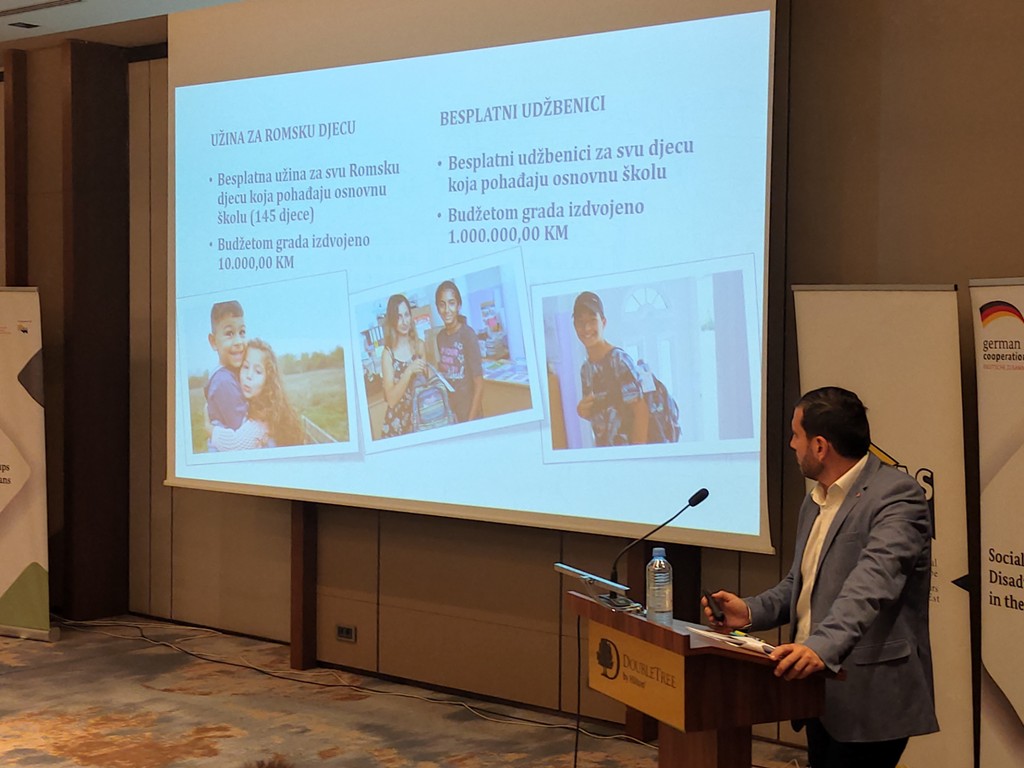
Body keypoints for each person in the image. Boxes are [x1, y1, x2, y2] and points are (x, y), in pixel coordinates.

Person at [703, 387, 937, 768]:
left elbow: (872, 584)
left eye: (796, 435)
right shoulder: (815, 500)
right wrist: (748, 611)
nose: (791, 444)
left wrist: (820, 647)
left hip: (870, 699)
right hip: (817, 692)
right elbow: (800, 584)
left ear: (820, 446)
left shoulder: (897, 497)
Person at [572, 291, 649, 446]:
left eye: (592, 320)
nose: (586, 328)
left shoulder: (618, 360)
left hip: (627, 451)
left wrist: (637, 454)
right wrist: (582, 411)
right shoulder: (586, 369)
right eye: (580, 322)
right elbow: (601, 413)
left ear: (603, 322)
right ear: (575, 326)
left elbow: (641, 412)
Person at [211, 338, 304, 449]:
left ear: (267, 380)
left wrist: (209, 429)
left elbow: (235, 444)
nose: (249, 376)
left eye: (258, 371)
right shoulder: (242, 401)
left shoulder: (264, 415)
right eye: (245, 367)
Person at [379, 293, 428, 438]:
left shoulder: (419, 346)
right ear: (392, 320)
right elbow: (391, 400)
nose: (404, 321)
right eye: (399, 317)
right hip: (397, 425)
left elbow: (426, 386)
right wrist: (409, 371)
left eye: (406, 315)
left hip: (420, 420)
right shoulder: (388, 354)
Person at [434, 280, 483, 423]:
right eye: (442, 304)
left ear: (458, 306)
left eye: (451, 303)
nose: (447, 310)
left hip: (470, 413)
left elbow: (479, 384)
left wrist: (470, 421)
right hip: (451, 413)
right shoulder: (440, 337)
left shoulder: (468, 335)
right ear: (437, 308)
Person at [204, 300, 248, 451]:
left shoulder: (231, 374)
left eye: (242, 332)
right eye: (229, 333)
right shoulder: (223, 381)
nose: (238, 341)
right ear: (213, 342)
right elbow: (242, 430)